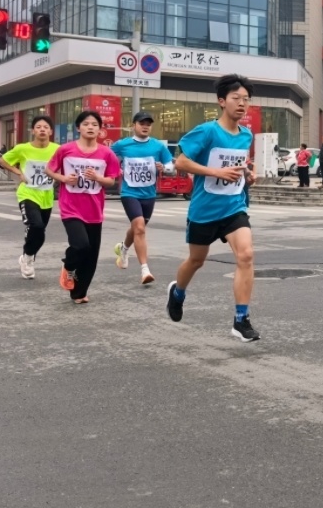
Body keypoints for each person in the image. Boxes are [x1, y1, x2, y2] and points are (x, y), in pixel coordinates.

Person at [166, 74, 259, 342]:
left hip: (233, 206)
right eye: (236, 98)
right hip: (204, 210)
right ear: (221, 101)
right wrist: (216, 171)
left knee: (246, 255)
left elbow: (239, 165)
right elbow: (180, 162)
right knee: (196, 260)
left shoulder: (246, 135)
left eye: (246, 99)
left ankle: (241, 320)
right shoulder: (207, 131)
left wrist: (247, 174)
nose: (241, 104)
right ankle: (177, 293)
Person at [45, 111, 121, 303]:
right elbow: (49, 169)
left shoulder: (107, 153)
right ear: (78, 128)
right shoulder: (66, 149)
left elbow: (111, 181)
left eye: (94, 124)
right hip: (71, 207)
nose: (90, 127)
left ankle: (79, 293)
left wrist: (98, 178)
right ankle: (68, 266)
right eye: (86, 124)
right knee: (80, 245)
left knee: (91, 255)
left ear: (100, 129)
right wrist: (63, 178)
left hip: (94, 210)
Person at [110, 111, 173, 283]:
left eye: (148, 124)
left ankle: (123, 249)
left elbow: (170, 165)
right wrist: (116, 169)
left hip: (149, 194)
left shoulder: (158, 146)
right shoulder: (123, 144)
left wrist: (163, 168)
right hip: (129, 192)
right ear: (133, 125)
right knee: (139, 228)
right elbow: (106, 157)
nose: (145, 127)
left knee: (138, 228)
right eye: (142, 123)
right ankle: (145, 270)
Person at [0, 115, 60, 279]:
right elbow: (2, 161)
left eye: (45, 127)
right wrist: (18, 172)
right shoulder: (22, 148)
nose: (42, 130)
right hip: (27, 193)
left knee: (40, 232)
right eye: (38, 127)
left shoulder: (58, 149)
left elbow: (65, 165)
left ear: (51, 131)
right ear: (33, 131)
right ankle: (28, 259)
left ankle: (27, 255)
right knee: (37, 226)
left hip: (46, 195)